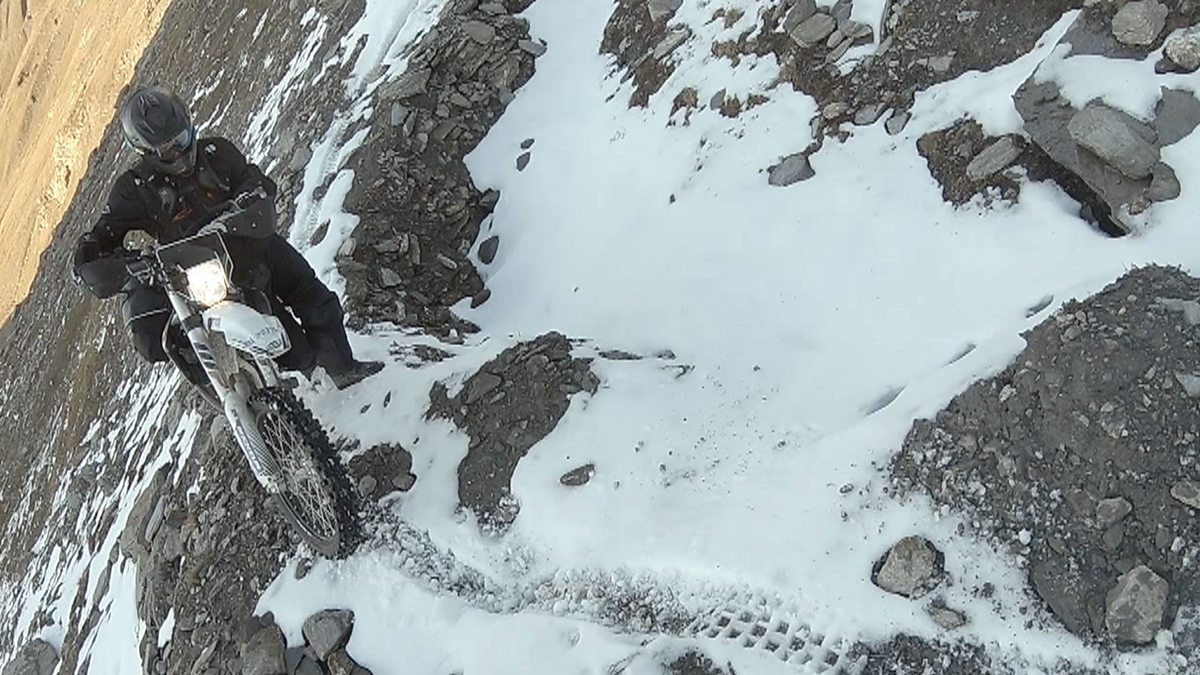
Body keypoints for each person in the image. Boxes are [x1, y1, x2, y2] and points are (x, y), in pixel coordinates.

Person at [73, 85, 383, 390]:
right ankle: (306, 382)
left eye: (181, 138)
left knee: (311, 293)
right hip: (200, 270)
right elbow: (104, 234)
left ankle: (344, 370)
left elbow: (254, 179)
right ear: (146, 151)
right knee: (278, 332)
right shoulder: (135, 188)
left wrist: (248, 199)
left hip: (251, 241)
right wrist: (101, 262)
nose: (179, 150)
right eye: (167, 149)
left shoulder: (217, 152)